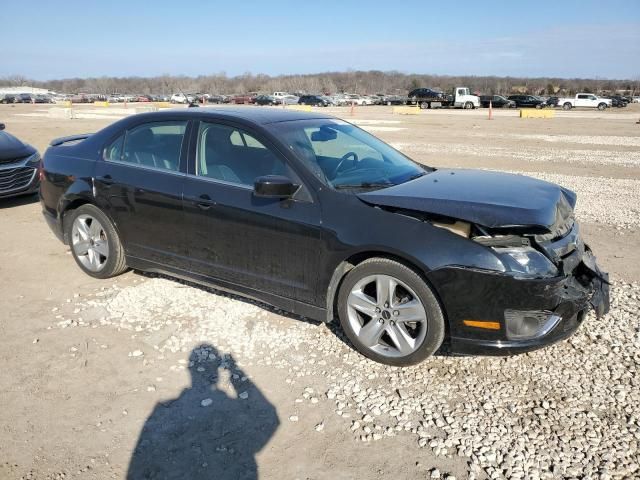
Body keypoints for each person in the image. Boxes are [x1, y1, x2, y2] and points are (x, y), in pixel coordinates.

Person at [127, 343, 279, 479]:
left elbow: (139, 462)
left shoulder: (163, 410)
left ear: (189, 369)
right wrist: (235, 371)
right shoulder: (228, 406)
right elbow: (271, 419)